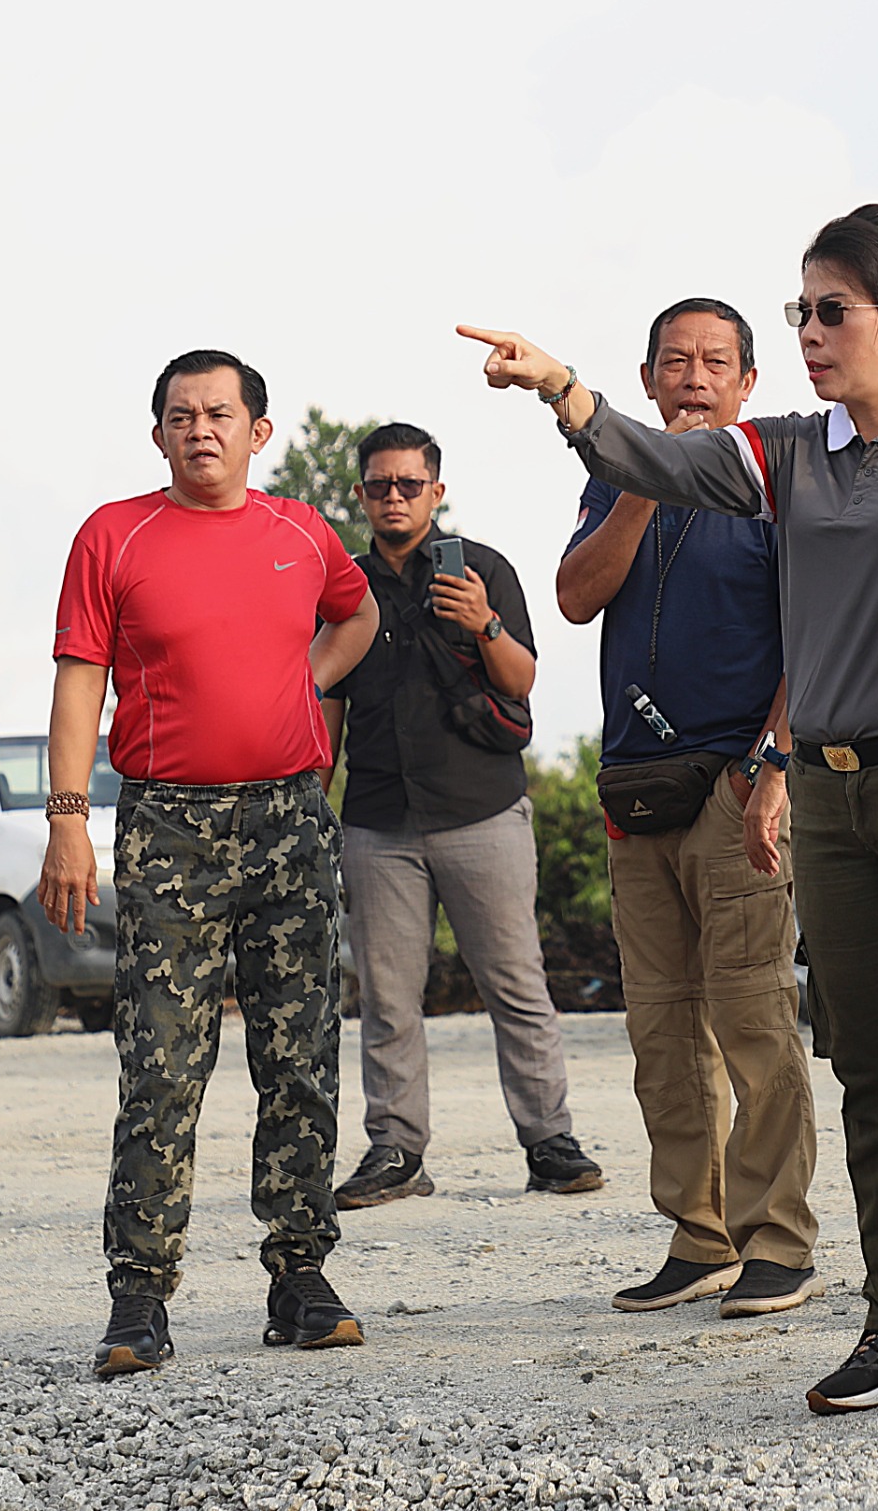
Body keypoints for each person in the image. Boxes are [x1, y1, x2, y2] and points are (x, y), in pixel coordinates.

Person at [459, 204, 878, 1418]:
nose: (809, 332)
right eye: (801, 309)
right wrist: (563, 388)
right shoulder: (787, 450)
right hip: (833, 792)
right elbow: (653, 460)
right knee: (872, 1068)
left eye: (829, 310)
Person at [40, 349, 381, 1380]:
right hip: (169, 825)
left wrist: (304, 680)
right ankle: (139, 1293)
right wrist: (68, 819)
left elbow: (359, 611)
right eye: (182, 415)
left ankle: (300, 1275)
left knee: (300, 1054)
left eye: (220, 413)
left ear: (257, 431)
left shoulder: (301, 531)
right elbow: (79, 681)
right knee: (161, 1060)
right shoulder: (114, 535)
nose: (201, 429)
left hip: (288, 819)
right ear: (158, 434)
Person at [554, 298, 819, 1316]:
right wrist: (643, 478)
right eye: (675, 362)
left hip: (735, 784)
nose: (694, 379)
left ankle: (778, 1239)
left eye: (715, 362)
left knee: (753, 1016)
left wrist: (772, 768)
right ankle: (698, 1235)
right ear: (648, 378)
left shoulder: (775, 485)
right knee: (662, 1031)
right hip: (636, 787)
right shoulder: (610, 479)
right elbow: (577, 595)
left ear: (748, 381)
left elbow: (812, 637)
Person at [320, 423, 602, 1207]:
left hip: (482, 809)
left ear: (436, 491)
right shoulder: (341, 585)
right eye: (381, 485)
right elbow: (327, 700)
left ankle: (550, 1141)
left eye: (410, 484)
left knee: (516, 983)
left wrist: (484, 621)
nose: (395, 497)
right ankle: (396, 1148)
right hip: (378, 818)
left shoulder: (484, 569)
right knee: (387, 997)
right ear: (361, 494)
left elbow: (521, 680)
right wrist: (315, 801)